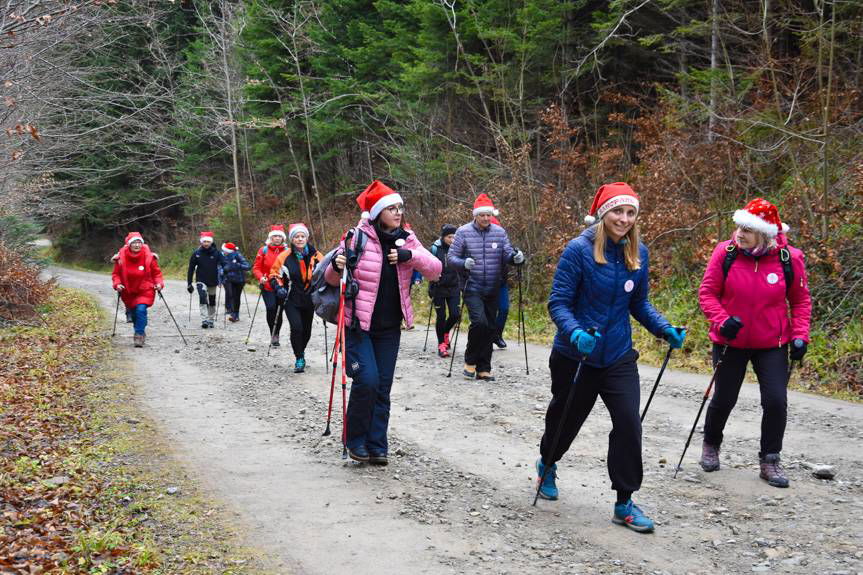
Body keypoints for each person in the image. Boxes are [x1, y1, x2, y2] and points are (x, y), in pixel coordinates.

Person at [535, 182, 686, 534]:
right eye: (618, 211)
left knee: (629, 423)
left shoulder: (638, 252)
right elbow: (558, 302)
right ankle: (547, 463)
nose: (624, 218)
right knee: (565, 419)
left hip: (617, 354)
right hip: (576, 355)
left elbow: (639, 303)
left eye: (630, 212)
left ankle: (625, 502)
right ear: (604, 214)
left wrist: (665, 329)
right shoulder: (578, 251)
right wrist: (575, 333)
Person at [698, 198, 811, 488]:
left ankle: (770, 460)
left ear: (765, 233)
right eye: (739, 227)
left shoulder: (789, 259)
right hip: (730, 340)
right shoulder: (726, 253)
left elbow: (800, 301)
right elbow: (707, 293)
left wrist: (800, 336)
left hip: (771, 343)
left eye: (747, 229)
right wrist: (722, 320)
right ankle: (711, 444)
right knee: (724, 398)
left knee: (776, 401)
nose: (739, 233)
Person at [326, 180, 441, 464]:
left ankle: (377, 445)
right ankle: (354, 440)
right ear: (378, 212)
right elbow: (330, 278)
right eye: (392, 208)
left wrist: (409, 256)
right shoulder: (357, 238)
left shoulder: (407, 238)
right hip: (358, 326)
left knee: (383, 386)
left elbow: (436, 270)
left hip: (389, 328)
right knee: (367, 380)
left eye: (400, 207)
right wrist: (336, 265)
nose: (398, 212)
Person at [447, 194, 524, 381]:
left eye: (489, 215)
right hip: (471, 286)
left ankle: (484, 368)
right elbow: (451, 258)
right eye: (482, 215)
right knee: (479, 323)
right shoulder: (463, 232)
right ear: (475, 215)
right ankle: (470, 361)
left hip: (493, 287)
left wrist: (516, 258)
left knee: (490, 327)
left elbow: (507, 254)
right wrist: (464, 263)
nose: (486, 218)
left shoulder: (499, 232)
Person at [269, 223, 323, 373]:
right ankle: (299, 357)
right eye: (296, 237)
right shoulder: (284, 256)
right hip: (290, 298)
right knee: (297, 328)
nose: (300, 239)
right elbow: (274, 275)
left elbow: (326, 273)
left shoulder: (316, 255)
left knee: (307, 331)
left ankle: (301, 350)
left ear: (307, 238)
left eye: (302, 236)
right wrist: (279, 287)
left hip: (309, 298)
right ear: (292, 240)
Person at [111, 232, 164, 348]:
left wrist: (159, 284)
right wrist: (117, 284)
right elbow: (116, 275)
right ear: (129, 244)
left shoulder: (149, 257)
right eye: (134, 242)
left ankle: (139, 334)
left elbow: (157, 274)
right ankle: (140, 328)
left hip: (145, 289)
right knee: (135, 314)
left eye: (139, 242)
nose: (137, 245)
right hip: (128, 291)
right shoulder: (121, 258)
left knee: (141, 309)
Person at [252, 225, 289, 346]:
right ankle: (272, 334)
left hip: (282, 286)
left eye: (279, 236)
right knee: (271, 308)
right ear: (270, 238)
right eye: (275, 236)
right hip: (267, 284)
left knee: (279, 309)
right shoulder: (263, 250)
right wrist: (260, 277)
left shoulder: (288, 250)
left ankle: (276, 332)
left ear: (283, 238)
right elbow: (256, 268)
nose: (277, 238)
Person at [428, 224, 461, 357]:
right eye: (449, 237)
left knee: (455, 315)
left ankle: (446, 332)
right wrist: (432, 279)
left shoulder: (458, 248)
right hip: (438, 287)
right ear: (443, 237)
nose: (452, 239)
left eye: (454, 236)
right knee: (441, 316)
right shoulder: (435, 249)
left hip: (454, 286)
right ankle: (441, 344)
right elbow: (427, 265)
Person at [186, 231, 224, 329]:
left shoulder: (217, 253)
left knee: (212, 300)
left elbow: (224, 264)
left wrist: (225, 273)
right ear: (201, 242)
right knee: (202, 297)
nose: (206, 243)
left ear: (211, 242)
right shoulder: (196, 253)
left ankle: (211, 320)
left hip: (213, 280)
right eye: (204, 241)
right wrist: (189, 283)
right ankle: (204, 320)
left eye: (208, 241)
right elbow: (191, 268)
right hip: (201, 279)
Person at [490, 215, 510, 349]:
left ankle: (496, 335)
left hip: (502, 281)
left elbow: (509, 255)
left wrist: (516, 257)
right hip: (485, 283)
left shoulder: (503, 241)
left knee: (504, 308)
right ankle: (486, 337)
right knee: (489, 312)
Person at [219, 242, 251, 322]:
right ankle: (233, 314)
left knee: (236, 297)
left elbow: (247, 266)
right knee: (231, 295)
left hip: (239, 280)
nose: (223, 252)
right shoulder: (223, 257)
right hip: (229, 280)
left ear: (229, 251)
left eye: (225, 250)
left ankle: (235, 314)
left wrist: (238, 265)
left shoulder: (237, 255)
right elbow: (220, 267)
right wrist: (222, 271)